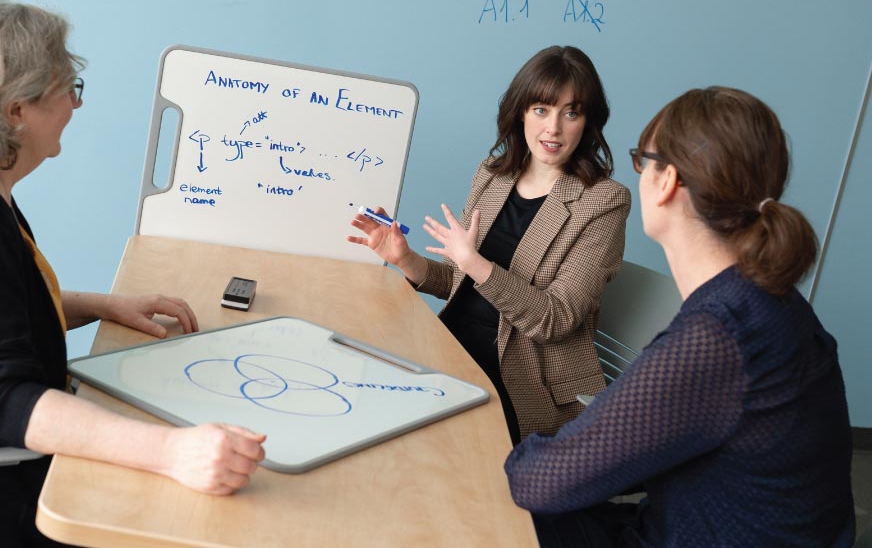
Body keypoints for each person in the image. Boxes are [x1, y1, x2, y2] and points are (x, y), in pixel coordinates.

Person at [0, 0, 266, 548]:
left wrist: (94, 305)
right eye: (67, 89)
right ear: (15, 110)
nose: (75, 107)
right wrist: (173, 451)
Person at [504, 87, 855, 547]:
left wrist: (507, 448)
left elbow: (536, 482)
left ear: (667, 180)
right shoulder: (769, 298)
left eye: (641, 160)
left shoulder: (718, 336)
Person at [348, 46, 630, 443]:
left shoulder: (603, 201)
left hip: (524, 385)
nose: (553, 128)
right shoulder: (493, 176)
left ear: (588, 122)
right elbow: (464, 283)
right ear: (520, 111)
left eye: (571, 113)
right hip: (453, 352)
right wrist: (405, 259)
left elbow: (556, 318)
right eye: (541, 109)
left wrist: (475, 262)